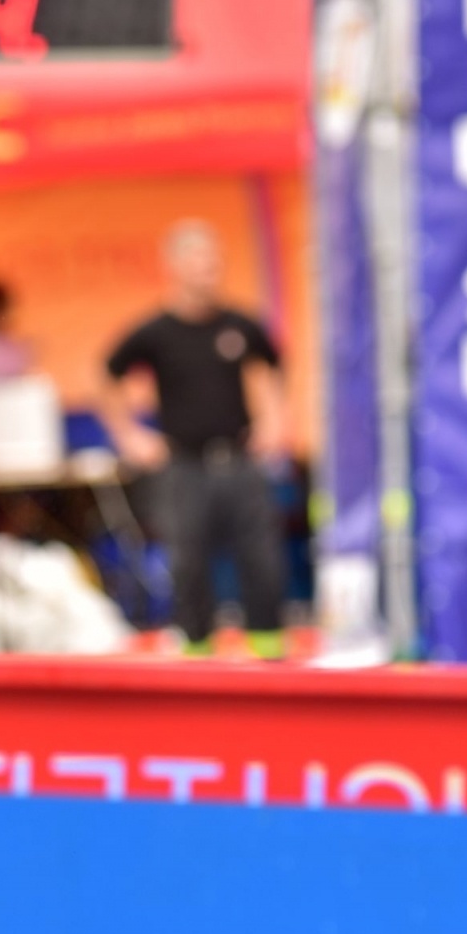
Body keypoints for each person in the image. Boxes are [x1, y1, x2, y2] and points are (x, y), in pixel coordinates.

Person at [99, 219, 289, 659]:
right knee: (189, 567)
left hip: (239, 461)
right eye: (199, 262)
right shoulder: (155, 333)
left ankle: (271, 659)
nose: (210, 270)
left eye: (214, 261)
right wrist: (129, 436)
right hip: (183, 466)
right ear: (176, 267)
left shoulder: (239, 326)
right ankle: (197, 661)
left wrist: (275, 421)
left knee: (262, 563)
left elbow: (276, 364)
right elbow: (107, 376)